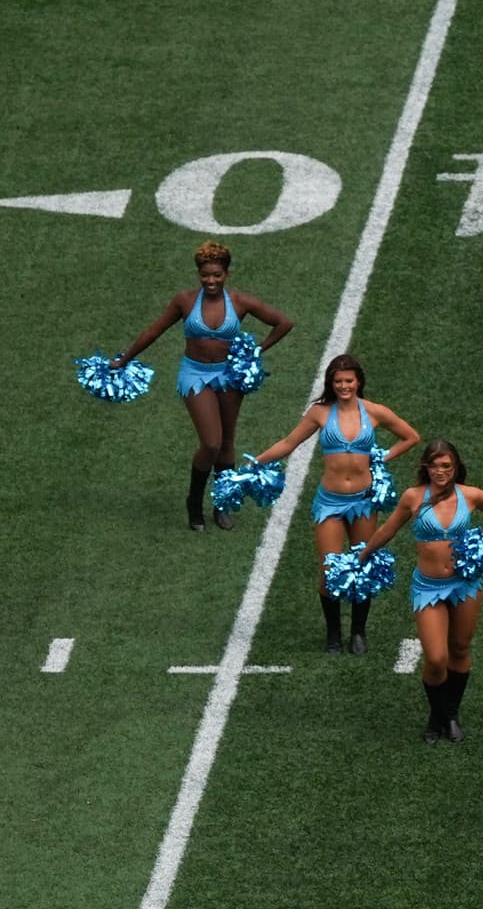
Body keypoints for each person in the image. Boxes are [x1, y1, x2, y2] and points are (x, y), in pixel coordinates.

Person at [248, 353, 418, 657]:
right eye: (338, 381)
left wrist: (382, 457)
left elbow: (410, 437)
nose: (343, 386)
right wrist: (256, 462)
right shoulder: (320, 413)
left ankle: (358, 631)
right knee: (330, 569)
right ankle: (333, 633)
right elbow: (289, 443)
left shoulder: (374, 412)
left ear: (359, 382)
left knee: (362, 564)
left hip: (364, 502)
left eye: (348, 381)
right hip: (330, 502)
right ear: (331, 383)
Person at [114, 241, 291, 530]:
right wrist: (125, 359)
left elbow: (283, 323)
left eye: (217, 275)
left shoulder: (240, 302)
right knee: (211, 442)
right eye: (205, 275)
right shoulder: (184, 301)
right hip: (195, 374)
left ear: (227, 274)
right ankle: (194, 502)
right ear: (199, 273)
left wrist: (256, 351)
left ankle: (222, 505)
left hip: (230, 374)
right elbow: (154, 330)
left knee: (227, 442)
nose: (210, 281)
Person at [354, 439, 483, 742]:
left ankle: (450, 716)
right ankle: (436, 716)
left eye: (446, 466)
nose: (440, 471)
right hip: (428, 587)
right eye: (435, 466)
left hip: (464, 584)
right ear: (426, 467)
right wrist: (364, 553)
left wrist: (481, 539)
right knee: (436, 658)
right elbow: (389, 528)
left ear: (455, 467)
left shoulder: (470, 495)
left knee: (460, 649)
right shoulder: (413, 497)